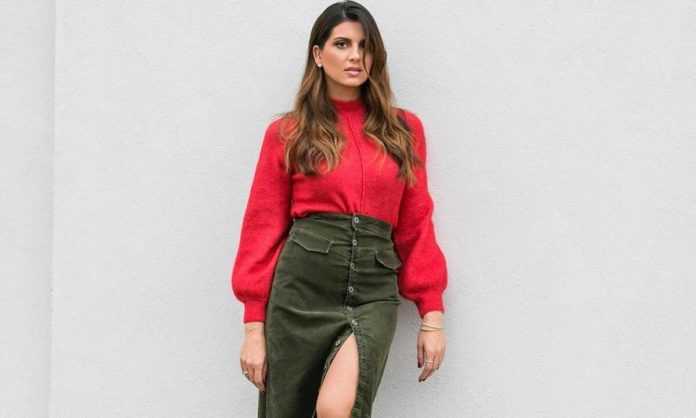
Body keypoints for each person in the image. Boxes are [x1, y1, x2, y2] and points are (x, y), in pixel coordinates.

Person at [230, 1, 448, 417]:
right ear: (318, 54)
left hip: (373, 289)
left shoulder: (403, 131)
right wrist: (253, 327)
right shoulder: (288, 133)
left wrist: (431, 313)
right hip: (301, 292)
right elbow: (262, 227)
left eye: (365, 46)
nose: (355, 56)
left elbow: (415, 223)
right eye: (342, 44)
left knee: (336, 408)